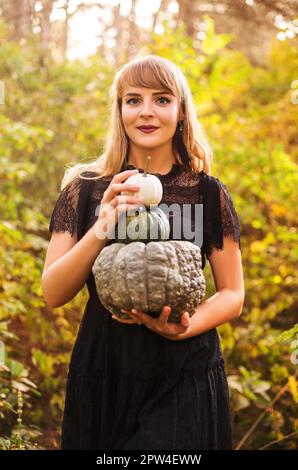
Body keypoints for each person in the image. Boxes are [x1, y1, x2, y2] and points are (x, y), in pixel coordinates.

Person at [42, 54, 245, 450]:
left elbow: (233, 293)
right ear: (119, 111)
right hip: (105, 369)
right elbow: (53, 292)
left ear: (182, 111)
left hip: (184, 370)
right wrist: (103, 225)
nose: (146, 112)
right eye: (133, 100)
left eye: (162, 100)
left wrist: (186, 326)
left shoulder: (207, 192)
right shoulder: (84, 189)